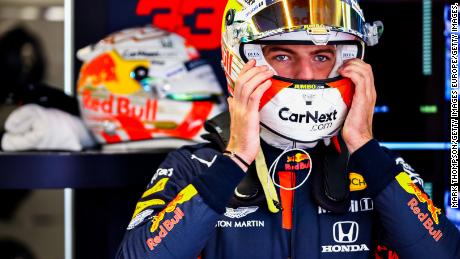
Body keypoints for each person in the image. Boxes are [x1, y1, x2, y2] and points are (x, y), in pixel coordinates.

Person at [117, 0, 460, 258]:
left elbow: (444, 252)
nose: (307, 75)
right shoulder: (194, 166)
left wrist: (365, 147)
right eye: (282, 56)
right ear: (237, 63)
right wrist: (233, 161)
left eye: (322, 57)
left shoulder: (375, 168)